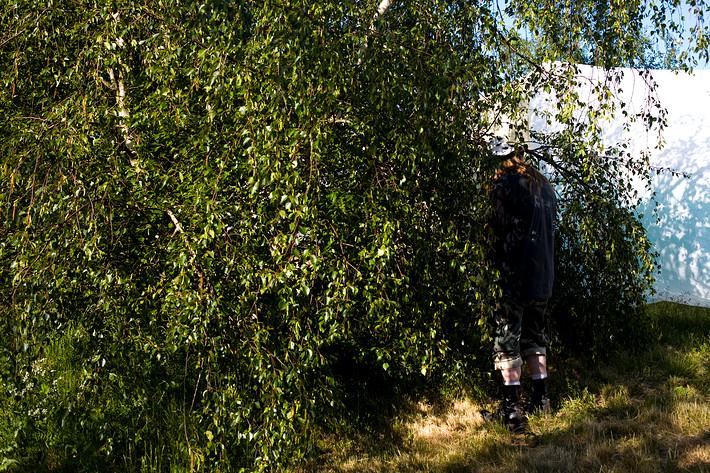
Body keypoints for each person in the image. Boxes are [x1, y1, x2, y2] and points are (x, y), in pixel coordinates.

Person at [483, 137, 557, 432]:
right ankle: (542, 401)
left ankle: (512, 413)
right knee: (535, 337)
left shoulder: (504, 186)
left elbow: (497, 230)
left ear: (497, 163)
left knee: (507, 341)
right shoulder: (543, 185)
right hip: (543, 277)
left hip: (513, 278)